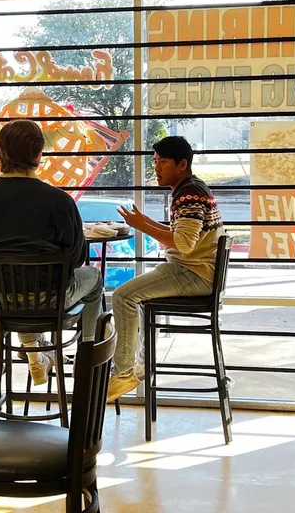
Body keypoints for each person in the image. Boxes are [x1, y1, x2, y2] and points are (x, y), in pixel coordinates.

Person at [0, 119, 103, 386]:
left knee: (20, 288)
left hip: (3, 301)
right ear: (39, 155)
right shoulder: (58, 201)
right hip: (51, 302)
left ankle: (35, 350)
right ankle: (88, 359)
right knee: (94, 279)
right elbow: (76, 258)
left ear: (0, 155)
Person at [107, 136, 224, 402]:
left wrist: (142, 225)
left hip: (194, 273)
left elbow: (183, 243)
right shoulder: (192, 188)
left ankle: (124, 372)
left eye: (163, 162)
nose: (157, 168)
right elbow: (180, 234)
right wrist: (144, 221)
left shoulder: (189, 195)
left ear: (182, 164)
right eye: (155, 162)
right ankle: (143, 363)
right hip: (198, 271)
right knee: (137, 296)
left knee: (122, 296)